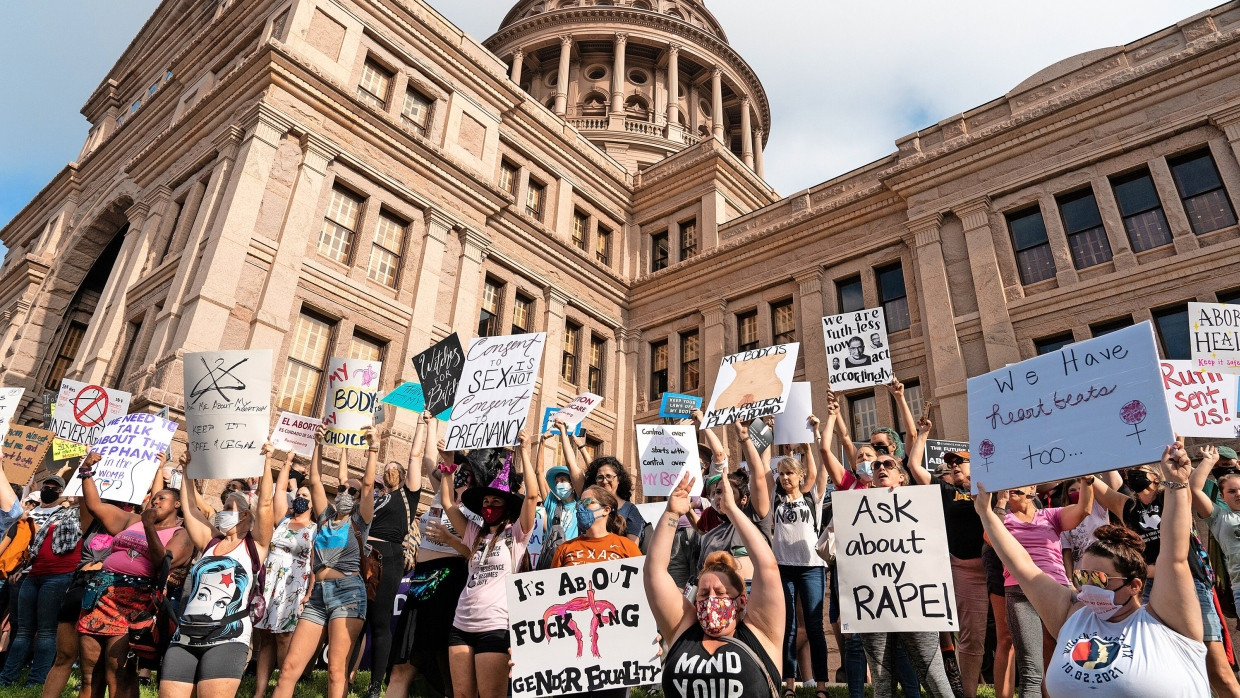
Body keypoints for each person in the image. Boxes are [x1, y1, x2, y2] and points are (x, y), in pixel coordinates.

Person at [975, 444, 1209, 697]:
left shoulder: (1167, 620)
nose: (1087, 587)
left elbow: (1174, 555)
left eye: (1098, 578)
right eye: (1081, 576)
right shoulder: (1071, 615)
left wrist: (1176, 485)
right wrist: (986, 514)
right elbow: (1021, 564)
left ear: (1134, 585)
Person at [1091, 457, 1239, 697]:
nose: (1133, 475)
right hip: (1152, 589)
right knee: (1171, 666)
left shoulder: (1169, 496)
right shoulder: (1128, 507)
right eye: (1131, 472)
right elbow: (1095, 484)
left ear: (1156, 475)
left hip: (1192, 584)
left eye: (1140, 471)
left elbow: (1183, 482)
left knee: (1218, 671)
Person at [648, 470, 784, 698]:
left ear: (741, 600)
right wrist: (671, 513)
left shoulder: (761, 633)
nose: (710, 598)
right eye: (703, 593)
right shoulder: (683, 630)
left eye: (721, 592)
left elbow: (767, 567)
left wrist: (731, 509)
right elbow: (654, 572)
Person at [272, 424, 379, 698]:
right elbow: (316, 480)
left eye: (352, 492)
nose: (346, 492)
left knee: (335, 672)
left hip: (349, 595)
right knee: (288, 669)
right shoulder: (324, 518)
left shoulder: (359, 521)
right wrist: (317, 444)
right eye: (343, 488)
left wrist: (373, 448)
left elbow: (367, 485)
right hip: (318, 597)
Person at [160, 444, 276, 697]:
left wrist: (268, 461)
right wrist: (186, 468)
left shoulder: (255, 546)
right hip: (185, 635)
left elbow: (266, 504)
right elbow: (190, 508)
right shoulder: (210, 542)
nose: (222, 511)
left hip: (228, 637)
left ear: (245, 516)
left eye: (229, 508)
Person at [76, 450, 193, 698]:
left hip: (135, 602)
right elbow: (95, 506)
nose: (156, 501)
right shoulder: (132, 520)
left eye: (162, 498)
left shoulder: (182, 533)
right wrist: (86, 471)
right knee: (90, 675)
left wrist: (150, 526)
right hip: (100, 595)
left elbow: (162, 561)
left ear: (177, 505)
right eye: (154, 498)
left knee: (118, 672)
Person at [854, 454, 956, 697]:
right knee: (881, 681)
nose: (880, 468)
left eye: (888, 464)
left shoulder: (920, 507)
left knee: (933, 676)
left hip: (916, 603)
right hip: (874, 604)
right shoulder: (857, 509)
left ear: (902, 476)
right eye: (875, 465)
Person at [444, 435, 539, 698]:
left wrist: (523, 451)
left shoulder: (517, 534)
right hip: (461, 624)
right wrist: (448, 466)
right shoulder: (475, 534)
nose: (489, 507)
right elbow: (448, 505)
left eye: (495, 503)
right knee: (461, 695)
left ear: (506, 506)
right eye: (485, 503)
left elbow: (532, 496)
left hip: (496, 626)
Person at [388, 431, 475, 698]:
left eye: (463, 470)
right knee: (401, 667)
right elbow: (427, 458)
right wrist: (430, 420)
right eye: (454, 467)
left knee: (448, 667)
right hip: (419, 583)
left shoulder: (475, 507)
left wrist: (450, 538)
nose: (456, 471)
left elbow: (474, 550)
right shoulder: (441, 494)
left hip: (450, 582)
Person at [997, 479, 1094, 698]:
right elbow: (989, 537)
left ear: (1032, 488)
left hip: (1055, 589)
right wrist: (1000, 503)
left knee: (1071, 660)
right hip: (1019, 591)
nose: (1012, 485)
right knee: (1031, 669)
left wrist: (1087, 480)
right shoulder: (1003, 518)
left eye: (1018, 482)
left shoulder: (1050, 515)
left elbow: (1084, 509)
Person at [356, 416, 426, 698]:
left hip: (389, 555)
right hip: (363, 554)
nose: (390, 471)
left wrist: (421, 423)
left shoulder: (407, 497)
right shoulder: (378, 496)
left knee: (379, 619)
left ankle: (375, 686)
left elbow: (416, 455)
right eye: (386, 469)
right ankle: (346, 676)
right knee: (355, 618)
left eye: (394, 468)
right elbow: (364, 491)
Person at [770, 417, 829, 698]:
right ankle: (790, 685)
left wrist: (810, 441)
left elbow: (817, 471)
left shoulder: (811, 497)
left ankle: (821, 686)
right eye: (782, 474)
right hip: (784, 568)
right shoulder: (775, 500)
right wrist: (771, 432)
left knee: (815, 626)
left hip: (811, 568)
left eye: (790, 474)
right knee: (789, 627)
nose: (785, 478)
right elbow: (765, 471)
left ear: (800, 476)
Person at [0, 475, 78, 688]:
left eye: (55, 488)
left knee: (46, 632)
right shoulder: (28, 515)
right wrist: (20, 568)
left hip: (56, 577)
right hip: (28, 576)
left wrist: (86, 470)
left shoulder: (70, 515)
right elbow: (28, 547)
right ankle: (6, 679)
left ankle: (35, 682)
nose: (49, 490)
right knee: (22, 629)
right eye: (47, 486)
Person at [250, 452, 316, 698]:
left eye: (305, 496)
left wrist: (309, 593)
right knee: (265, 636)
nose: (300, 498)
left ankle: (282, 687)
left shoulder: (314, 529)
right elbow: (278, 493)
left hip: (294, 585)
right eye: (298, 495)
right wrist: (286, 462)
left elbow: (313, 564)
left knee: (284, 638)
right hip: (270, 583)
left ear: (312, 504)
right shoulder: (282, 520)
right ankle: (259, 691)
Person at [550, 485, 641, 568]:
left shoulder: (627, 547)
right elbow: (553, 583)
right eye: (579, 504)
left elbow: (642, 580)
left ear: (606, 510)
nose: (580, 508)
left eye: (587, 502)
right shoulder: (564, 548)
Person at [569, 451, 644, 543]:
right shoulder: (587, 504)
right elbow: (571, 466)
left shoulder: (630, 510)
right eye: (600, 477)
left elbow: (632, 551)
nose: (604, 481)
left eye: (609, 476)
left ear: (619, 479)